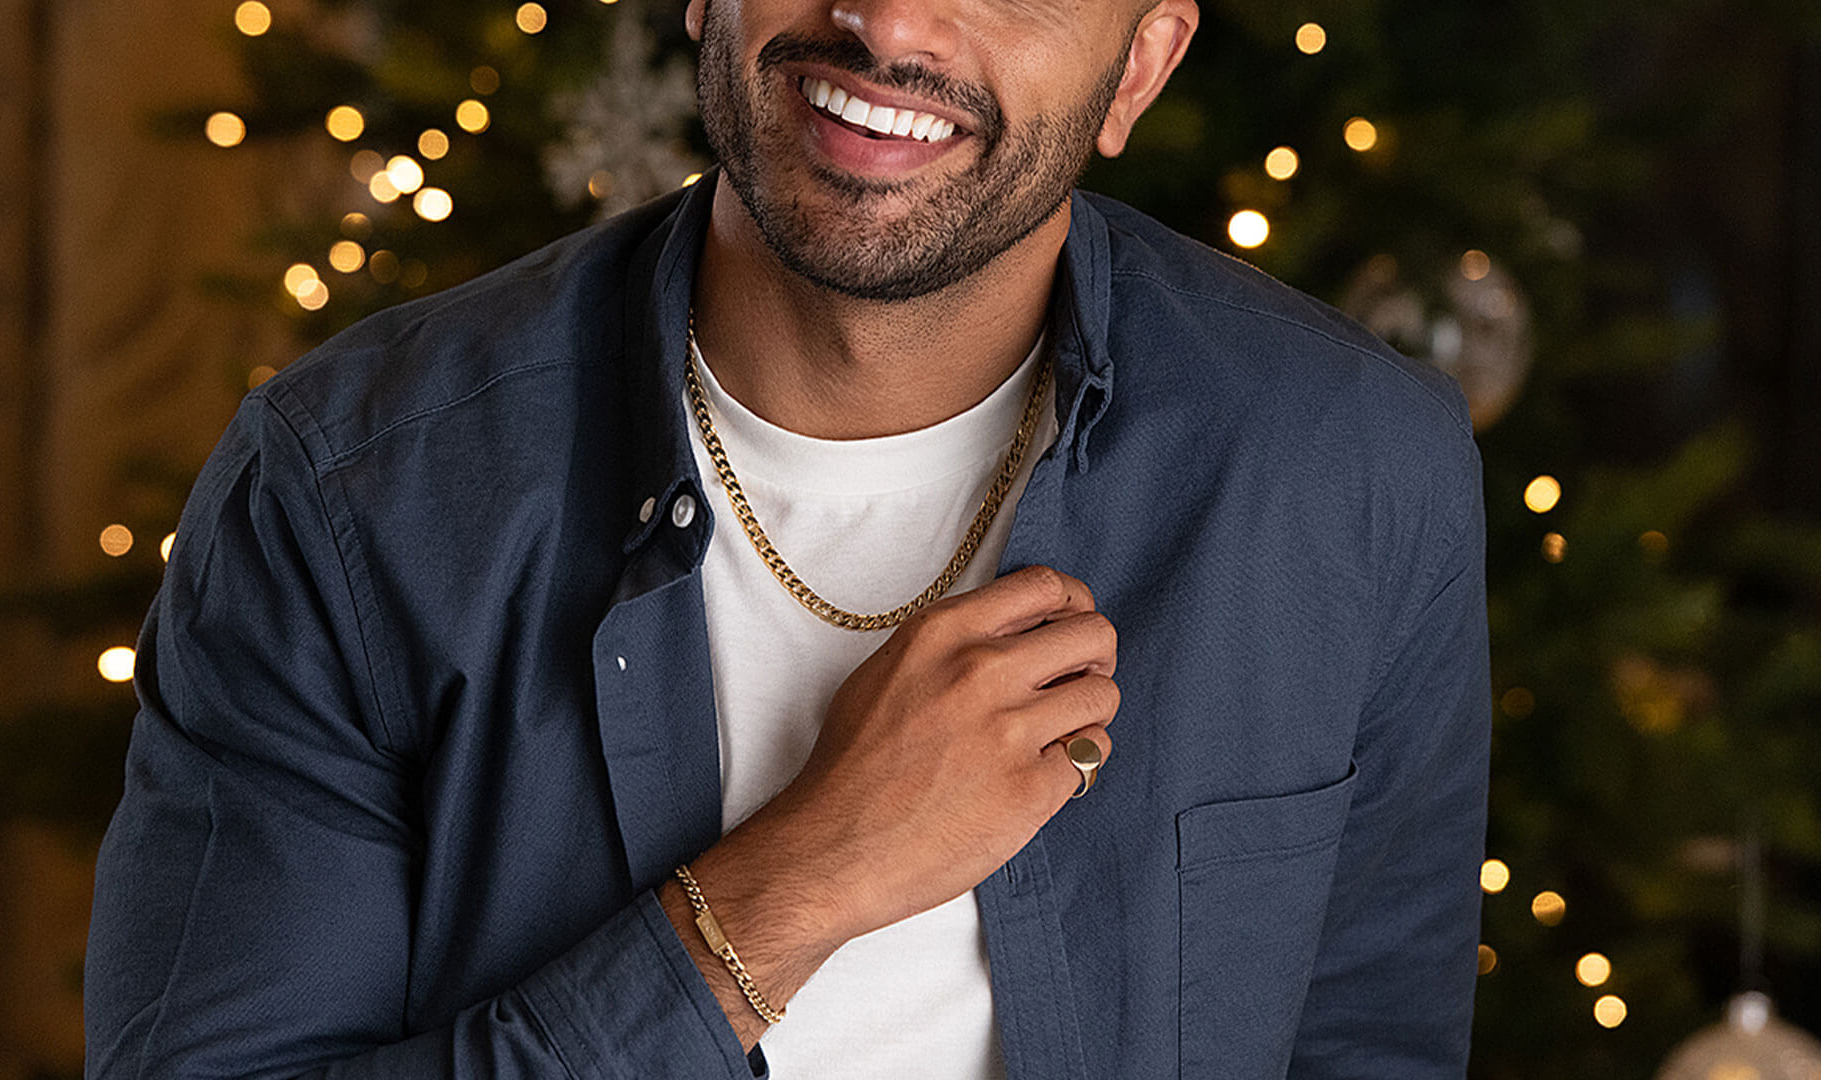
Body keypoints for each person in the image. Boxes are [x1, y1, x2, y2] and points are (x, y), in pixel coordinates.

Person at [84, 0, 1493, 1076]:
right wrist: (796, 885)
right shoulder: (350, 492)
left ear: (1138, 66)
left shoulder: (1349, 472)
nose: (885, 27)